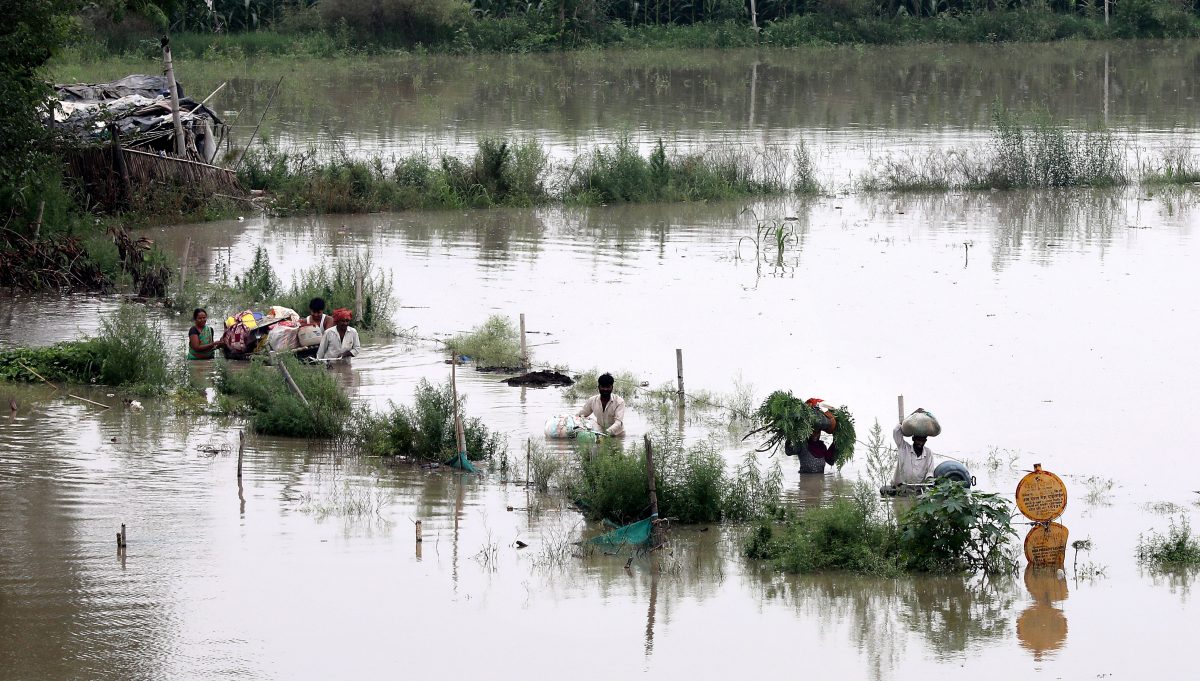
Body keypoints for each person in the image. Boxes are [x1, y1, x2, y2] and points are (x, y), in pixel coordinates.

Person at [891, 408, 937, 486]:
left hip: (918, 489)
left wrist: (929, 482)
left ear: (925, 441)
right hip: (900, 487)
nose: (920, 443)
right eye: (918, 440)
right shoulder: (904, 448)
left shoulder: (928, 453)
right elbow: (896, 431)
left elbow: (930, 472)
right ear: (913, 439)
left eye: (922, 440)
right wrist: (913, 414)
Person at [576, 372, 625, 437]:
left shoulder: (619, 402)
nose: (605, 389)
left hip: (617, 435)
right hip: (600, 434)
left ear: (612, 387)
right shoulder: (592, 400)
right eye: (603, 387)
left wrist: (606, 433)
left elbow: (618, 423)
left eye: (608, 387)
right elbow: (581, 415)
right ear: (598, 387)